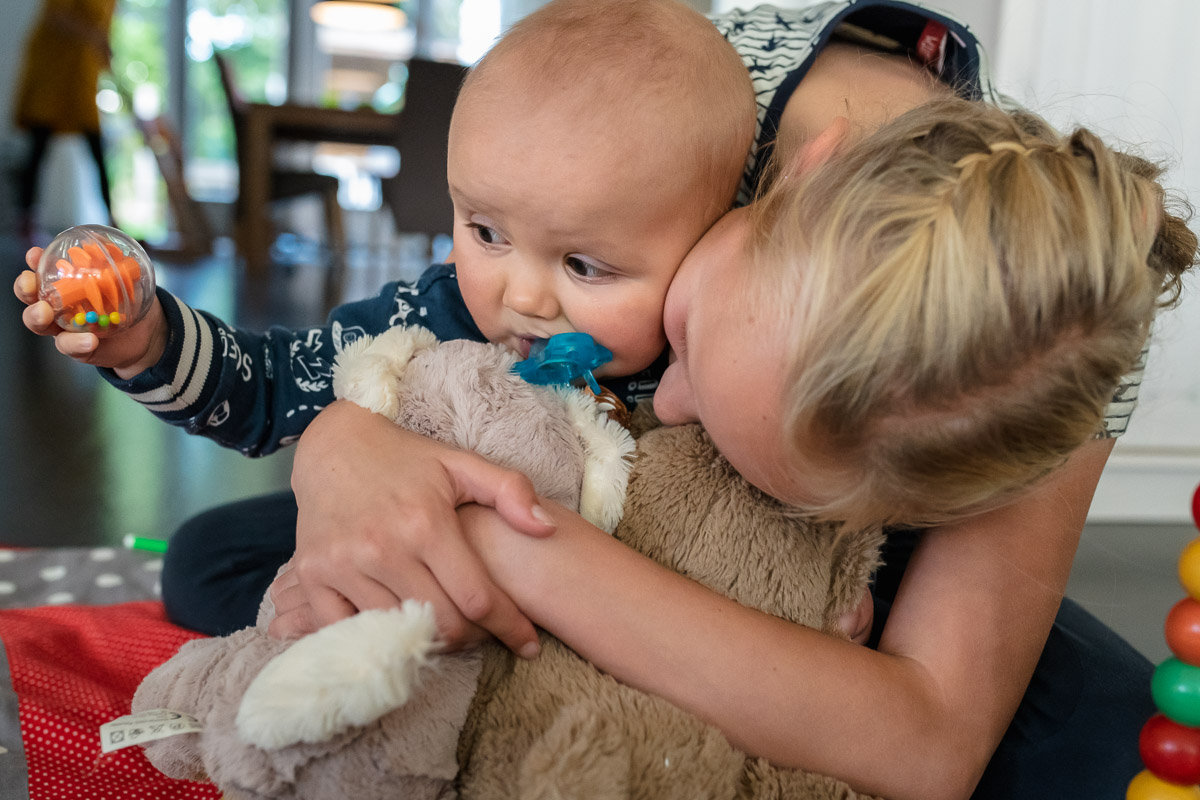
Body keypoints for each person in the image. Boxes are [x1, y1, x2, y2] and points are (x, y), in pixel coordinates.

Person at [266, 4, 1197, 800]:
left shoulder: (1056, 358)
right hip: (581, 486)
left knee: (1106, 742)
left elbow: (931, 742)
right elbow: (468, 313)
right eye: (697, 342)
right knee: (226, 563)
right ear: (802, 174)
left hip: (805, 593)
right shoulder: (692, 86)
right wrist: (342, 446)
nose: (668, 403)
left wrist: (503, 543)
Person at [13, 0, 758, 648]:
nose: (522, 298)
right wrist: (151, 341)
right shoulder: (435, 314)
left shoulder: (712, 372)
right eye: (487, 233)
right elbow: (269, 388)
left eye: (586, 267)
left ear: (705, 248)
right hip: (410, 543)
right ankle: (349, 637)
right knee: (202, 557)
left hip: (596, 600)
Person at [13, 0, 117, 239]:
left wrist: (103, 48)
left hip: (81, 78)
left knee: (97, 149)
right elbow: (56, 17)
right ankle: (26, 222)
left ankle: (112, 222)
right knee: (38, 150)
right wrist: (94, 36)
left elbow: (103, 30)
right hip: (52, 76)